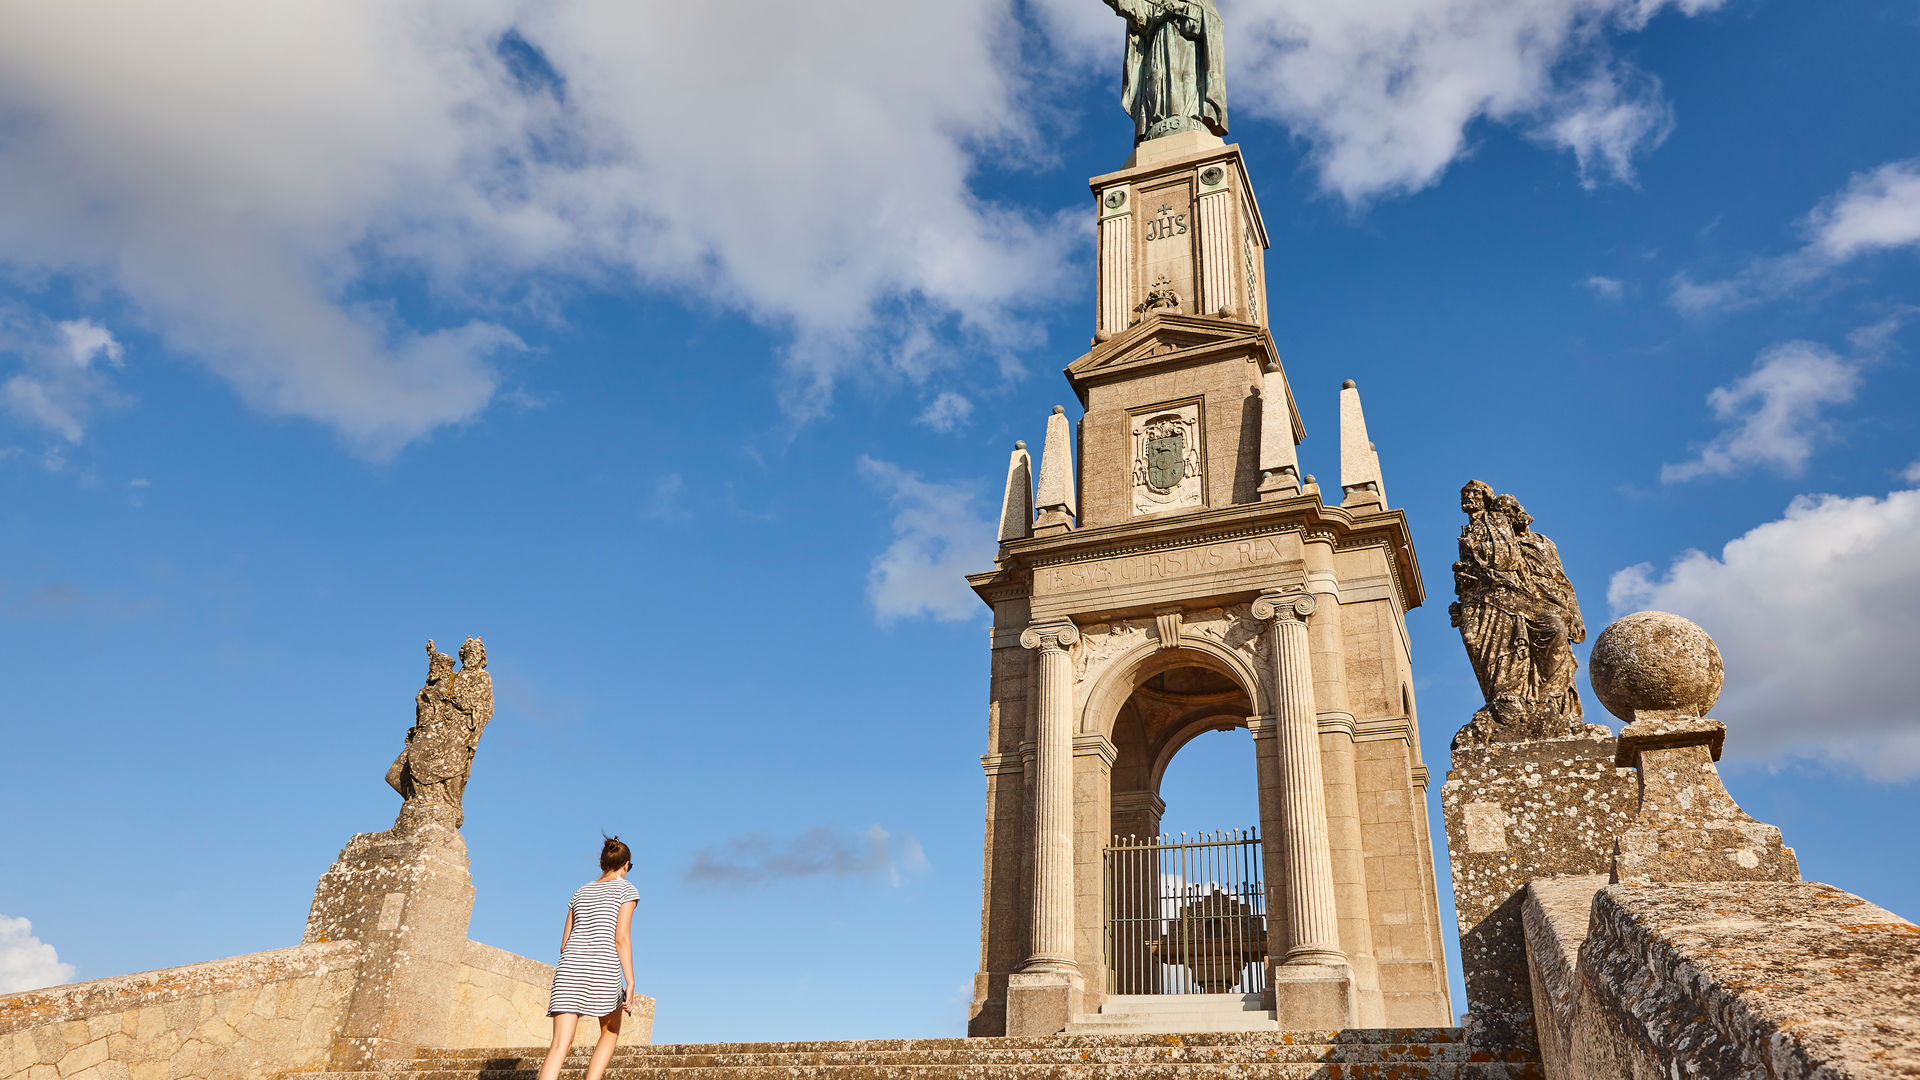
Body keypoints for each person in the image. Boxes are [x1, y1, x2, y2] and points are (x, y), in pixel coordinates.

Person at [536, 835, 639, 1080]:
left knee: (560, 1044)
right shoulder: (627, 889)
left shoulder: (580, 891)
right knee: (610, 1030)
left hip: (569, 967)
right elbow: (621, 938)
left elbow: (564, 944)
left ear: (603, 864)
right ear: (625, 865)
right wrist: (631, 981)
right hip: (602, 966)